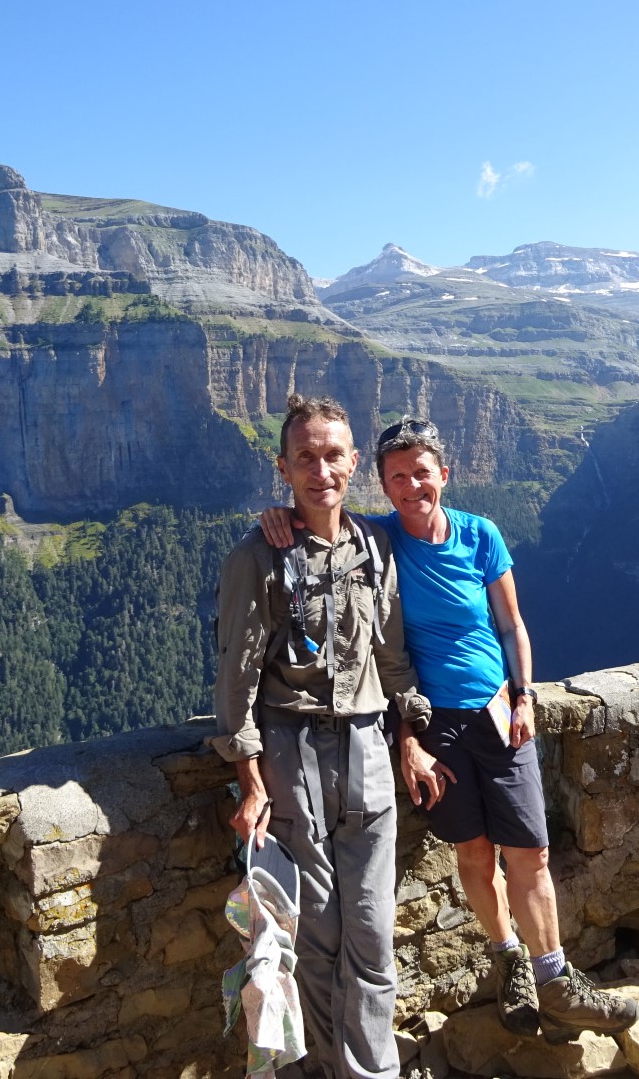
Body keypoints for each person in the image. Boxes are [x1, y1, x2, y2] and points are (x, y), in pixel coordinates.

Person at [260, 416, 639, 1043]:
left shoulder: (480, 534)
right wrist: (276, 518)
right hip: (432, 722)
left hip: (496, 709)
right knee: (473, 851)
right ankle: (510, 962)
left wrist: (523, 694)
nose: (411, 486)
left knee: (532, 851)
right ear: (382, 484)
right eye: (397, 477)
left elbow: (511, 625)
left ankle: (555, 979)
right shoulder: (377, 538)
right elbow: (318, 516)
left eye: (421, 473)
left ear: (445, 473)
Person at [210, 394, 439, 1079]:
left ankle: (372, 1072)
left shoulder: (374, 546)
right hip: (292, 753)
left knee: (372, 934)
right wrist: (249, 778)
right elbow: (237, 675)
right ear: (283, 467)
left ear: (353, 463)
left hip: (369, 746)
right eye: (305, 457)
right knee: (315, 933)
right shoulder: (256, 556)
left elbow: (392, 655)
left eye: (333, 455)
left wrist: (410, 734)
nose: (320, 470)